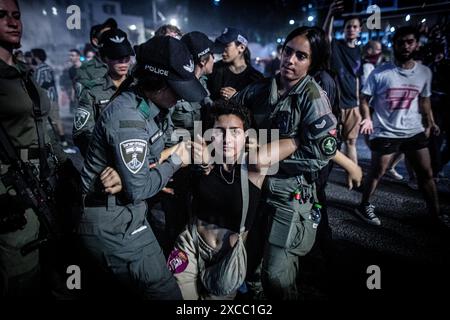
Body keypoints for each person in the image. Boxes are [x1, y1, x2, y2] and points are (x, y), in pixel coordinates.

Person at [0, 0, 121, 296]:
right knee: (22, 278)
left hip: (45, 183)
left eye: (16, 15)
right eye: (2, 16)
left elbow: (45, 128)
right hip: (12, 193)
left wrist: (67, 170)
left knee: (58, 271)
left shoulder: (20, 71)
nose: (13, 21)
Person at [79, 36, 207, 299]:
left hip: (128, 215)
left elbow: (147, 158)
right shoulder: (129, 117)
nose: (182, 97)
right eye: (177, 89)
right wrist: (175, 161)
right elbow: (139, 188)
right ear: (158, 84)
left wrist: (132, 172)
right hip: (116, 223)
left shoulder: (149, 107)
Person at [232, 26, 338, 299]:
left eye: (301, 56)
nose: (290, 60)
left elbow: (320, 155)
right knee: (248, 269)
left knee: (276, 277)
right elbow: (228, 116)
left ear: (312, 62)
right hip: (254, 189)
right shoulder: (258, 90)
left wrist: (272, 161)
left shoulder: (313, 98)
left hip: (290, 194)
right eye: (288, 51)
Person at [169, 101, 303, 300]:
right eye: (219, 131)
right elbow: (167, 160)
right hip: (190, 244)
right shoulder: (202, 156)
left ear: (246, 135)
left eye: (235, 131)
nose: (227, 139)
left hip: (228, 259)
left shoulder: (253, 166)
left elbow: (296, 140)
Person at [358, 26, 448, 228]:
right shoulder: (380, 73)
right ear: (394, 44)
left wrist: (430, 121)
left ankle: (435, 215)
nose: (406, 46)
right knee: (377, 172)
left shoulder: (424, 72)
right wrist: (367, 118)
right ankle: (363, 205)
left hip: (413, 130)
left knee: (426, 174)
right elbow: (364, 98)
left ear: (416, 44)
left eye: (410, 42)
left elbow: (424, 100)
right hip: (386, 130)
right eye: (401, 42)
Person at [73, 28, 134, 157]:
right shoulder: (92, 92)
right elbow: (82, 134)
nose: (123, 62)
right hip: (105, 163)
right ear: (105, 58)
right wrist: (103, 161)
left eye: (126, 57)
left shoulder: (139, 87)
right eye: (116, 57)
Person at [324, 1, 362, 165]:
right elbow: (325, 36)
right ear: (344, 29)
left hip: (353, 105)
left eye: (355, 27)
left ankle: (353, 179)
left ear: (359, 30)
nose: (351, 29)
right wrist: (330, 14)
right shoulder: (336, 46)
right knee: (331, 143)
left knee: (351, 143)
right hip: (335, 106)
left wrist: (359, 105)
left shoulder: (360, 52)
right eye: (348, 27)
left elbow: (358, 80)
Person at [31, 48, 76, 154]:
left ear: (36, 57)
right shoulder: (48, 67)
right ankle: (63, 144)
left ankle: (61, 146)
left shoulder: (40, 69)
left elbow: (37, 85)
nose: (32, 57)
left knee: (50, 123)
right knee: (56, 121)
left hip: (45, 100)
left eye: (33, 55)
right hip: (52, 98)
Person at [207, 27, 263, 102]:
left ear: (241, 48)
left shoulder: (255, 78)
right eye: (221, 45)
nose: (222, 49)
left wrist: (237, 97)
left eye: (226, 46)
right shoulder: (214, 69)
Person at [75, 18, 117, 87]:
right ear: (95, 41)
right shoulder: (86, 70)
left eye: (112, 34)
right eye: (106, 35)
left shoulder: (126, 63)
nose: (111, 38)